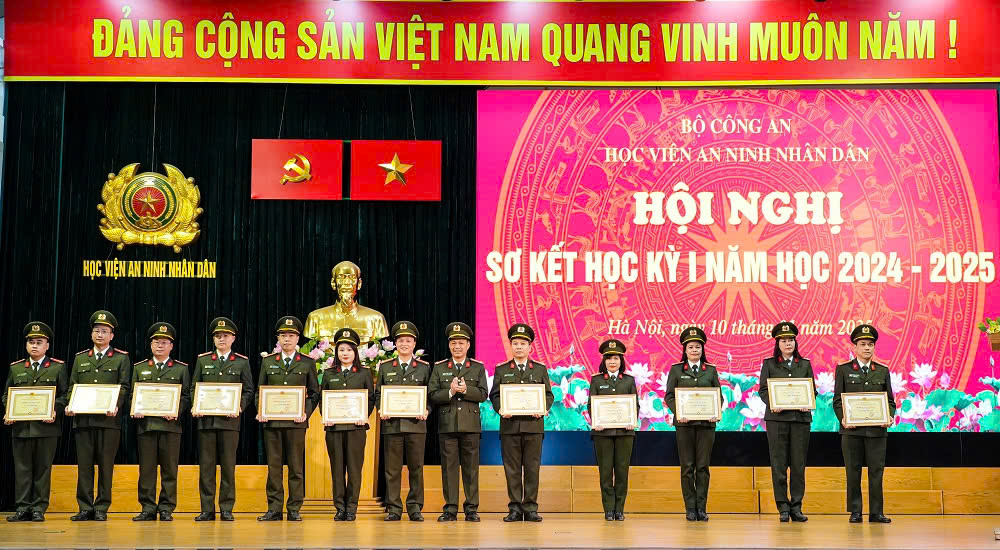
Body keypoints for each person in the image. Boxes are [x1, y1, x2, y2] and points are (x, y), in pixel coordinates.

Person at [67, 310, 130, 522]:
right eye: (96, 331)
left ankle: (102, 506)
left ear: (112, 335)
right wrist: (71, 404)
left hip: (108, 421)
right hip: (83, 420)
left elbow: (124, 387)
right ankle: (85, 507)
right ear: (91, 334)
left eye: (104, 331)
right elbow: (72, 387)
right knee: (84, 466)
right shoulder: (80, 358)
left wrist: (116, 405)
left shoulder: (121, 358)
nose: (100, 335)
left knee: (105, 466)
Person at [256, 315, 320, 522]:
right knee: (274, 467)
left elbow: (314, 393)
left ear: (297, 338)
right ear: (278, 338)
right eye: (283, 335)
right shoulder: (268, 362)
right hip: (272, 423)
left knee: (296, 467)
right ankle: (274, 508)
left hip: (296, 424)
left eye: (291, 335)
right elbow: (259, 391)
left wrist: (305, 413)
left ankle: (294, 508)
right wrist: (261, 409)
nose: (287, 339)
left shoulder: (307, 363)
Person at [2, 322, 68, 522]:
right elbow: (6, 395)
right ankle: (22, 508)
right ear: (26, 345)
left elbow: (65, 395)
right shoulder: (16, 368)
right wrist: (9, 411)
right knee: (22, 469)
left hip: (46, 428)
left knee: (43, 469)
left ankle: (39, 508)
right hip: (21, 428)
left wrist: (54, 410)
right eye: (31, 342)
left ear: (47, 345)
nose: (35, 346)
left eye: (39, 342)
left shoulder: (57, 367)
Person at [489, 323, 554, 522]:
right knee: (512, 470)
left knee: (532, 469)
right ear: (511, 346)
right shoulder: (502, 369)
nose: (519, 347)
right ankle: (515, 508)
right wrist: (501, 408)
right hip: (510, 427)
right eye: (515, 343)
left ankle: (531, 508)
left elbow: (548, 395)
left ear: (530, 347)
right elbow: (495, 395)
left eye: (523, 344)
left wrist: (543, 408)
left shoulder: (540, 369)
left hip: (533, 427)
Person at [191, 317, 254, 521]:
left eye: (225, 336)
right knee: (206, 468)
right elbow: (194, 387)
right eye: (218, 336)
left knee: (228, 467)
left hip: (229, 423)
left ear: (233, 338)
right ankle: (207, 509)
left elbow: (249, 391)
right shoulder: (203, 360)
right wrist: (196, 404)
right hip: (206, 422)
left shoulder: (242, 362)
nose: (221, 339)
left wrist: (239, 406)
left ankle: (226, 508)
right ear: (213, 339)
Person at [833, 324, 896, 524]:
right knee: (853, 471)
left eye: (870, 344)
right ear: (855, 347)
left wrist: (890, 415)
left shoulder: (882, 371)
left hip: (877, 431)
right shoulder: (843, 370)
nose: (867, 348)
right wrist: (843, 418)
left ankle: (876, 512)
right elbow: (837, 400)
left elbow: (890, 401)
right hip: (851, 431)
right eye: (863, 344)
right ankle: (855, 511)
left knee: (876, 472)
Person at [427, 322, 488, 522]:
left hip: (470, 426)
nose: (457, 347)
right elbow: (432, 395)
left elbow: (483, 394)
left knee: (471, 470)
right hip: (447, 426)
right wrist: (451, 391)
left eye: (461, 343)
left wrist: (466, 390)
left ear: (468, 345)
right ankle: (450, 509)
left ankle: (471, 509)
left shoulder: (477, 367)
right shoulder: (440, 367)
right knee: (449, 469)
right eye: (454, 343)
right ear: (449, 345)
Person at [131, 323, 191, 522]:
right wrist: (135, 408)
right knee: (146, 470)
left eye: (164, 342)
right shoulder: (139, 368)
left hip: (170, 427)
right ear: (150, 345)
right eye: (156, 342)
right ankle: (147, 507)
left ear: (171, 346)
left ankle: (166, 508)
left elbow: (186, 396)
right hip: (146, 426)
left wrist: (176, 411)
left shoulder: (181, 369)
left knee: (169, 470)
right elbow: (132, 395)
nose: (160, 345)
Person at [757, 321, 816, 523]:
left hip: (800, 420)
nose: (788, 343)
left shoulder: (805, 364)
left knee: (798, 466)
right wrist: (773, 403)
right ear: (777, 343)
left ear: (795, 342)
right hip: (777, 420)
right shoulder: (769, 364)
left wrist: (808, 401)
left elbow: (812, 390)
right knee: (779, 465)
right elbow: (763, 390)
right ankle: (782, 507)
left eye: (791, 340)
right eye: (783, 341)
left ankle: (796, 507)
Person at [664, 326, 722, 522]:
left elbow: (718, 396)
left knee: (703, 466)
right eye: (691, 347)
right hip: (684, 425)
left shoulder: (710, 370)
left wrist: (716, 412)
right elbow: (669, 396)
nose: (694, 350)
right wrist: (679, 412)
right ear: (685, 349)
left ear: (702, 349)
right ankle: (690, 508)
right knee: (687, 467)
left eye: (698, 347)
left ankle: (701, 508)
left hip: (706, 425)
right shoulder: (676, 370)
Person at [375, 321, 431, 521]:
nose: (404, 344)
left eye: (408, 340)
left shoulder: (424, 368)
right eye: (400, 340)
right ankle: (394, 508)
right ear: (395, 344)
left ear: (414, 344)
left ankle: (415, 508)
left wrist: (426, 409)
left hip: (416, 426)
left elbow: (430, 394)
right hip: (392, 425)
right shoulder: (385, 367)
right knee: (392, 470)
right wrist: (381, 408)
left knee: (416, 468)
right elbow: (378, 394)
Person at [320, 327, 375, 522]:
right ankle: (339, 508)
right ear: (336, 352)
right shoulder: (329, 373)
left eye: (349, 350)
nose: (345, 353)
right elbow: (323, 399)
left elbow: (370, 398)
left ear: (355, 352)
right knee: (337, 470)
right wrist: (326, 416)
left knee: (354, 470)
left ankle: (351, 508)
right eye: (341, 349)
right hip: (334, 429)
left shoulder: (364, 373)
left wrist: (364, 415)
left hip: (356, 429)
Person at [588, 338, 639, 521]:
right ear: (604, 360)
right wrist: (597, 420)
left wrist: (632, 420)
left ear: (621, 360)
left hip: (625, 432)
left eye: (616, 358)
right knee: (605, 472)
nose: (612, 361)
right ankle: (609, 509)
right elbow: (591, 405)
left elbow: (635, 405)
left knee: (622, 472)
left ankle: (620, 509)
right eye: (609, 358)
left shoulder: (629, 380)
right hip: (603, 433)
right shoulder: (596, 380)